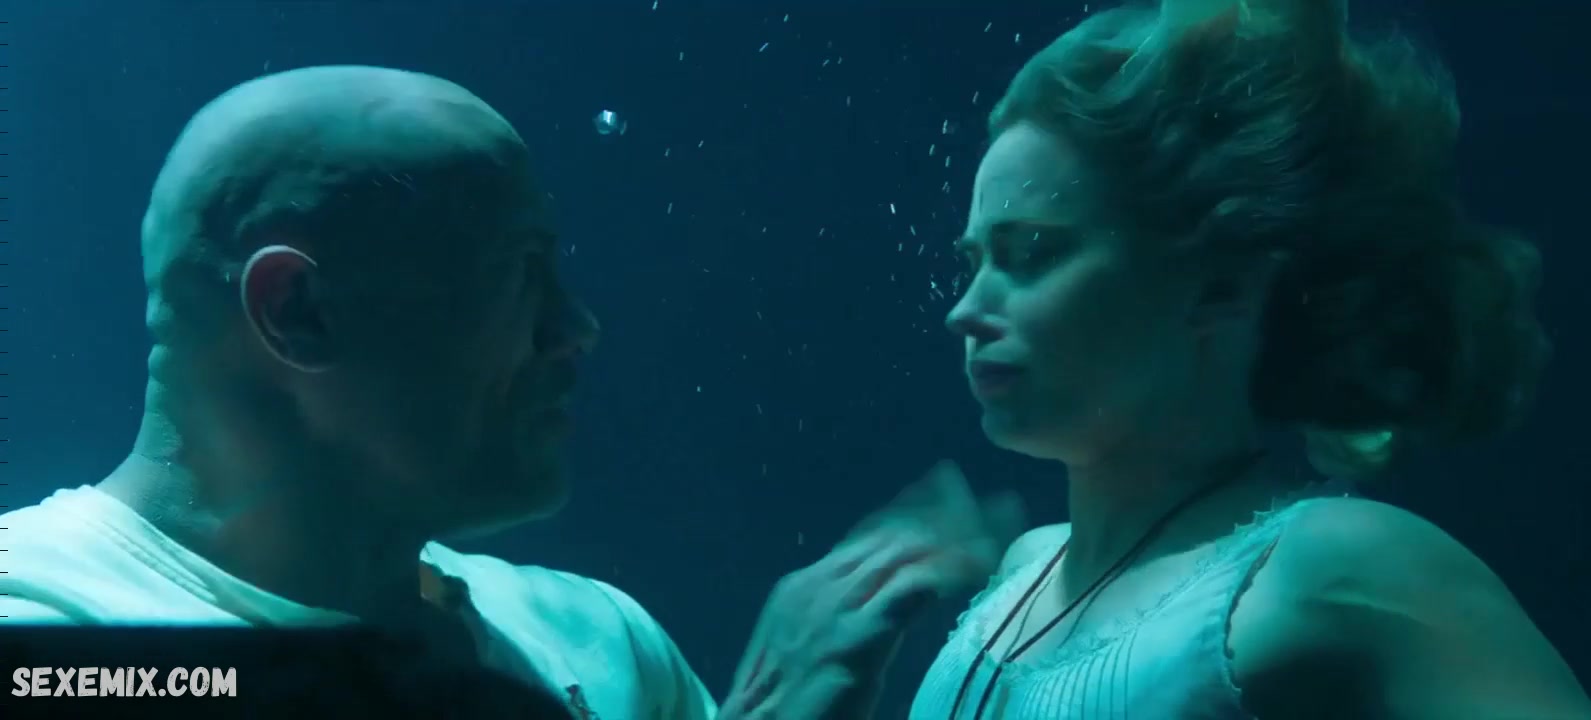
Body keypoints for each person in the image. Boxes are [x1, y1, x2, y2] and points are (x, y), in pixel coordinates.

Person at [0, 65, 1015, 720]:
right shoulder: (47, 630)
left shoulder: (601, 640)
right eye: (516, 275)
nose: (576, 329)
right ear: (298, 310)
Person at [910, 1, 1591, 719]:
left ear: (1222, 286)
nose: (964, 310)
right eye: (973, 261)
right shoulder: (1019, 577)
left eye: (1030, 253)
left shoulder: (1339, 566)